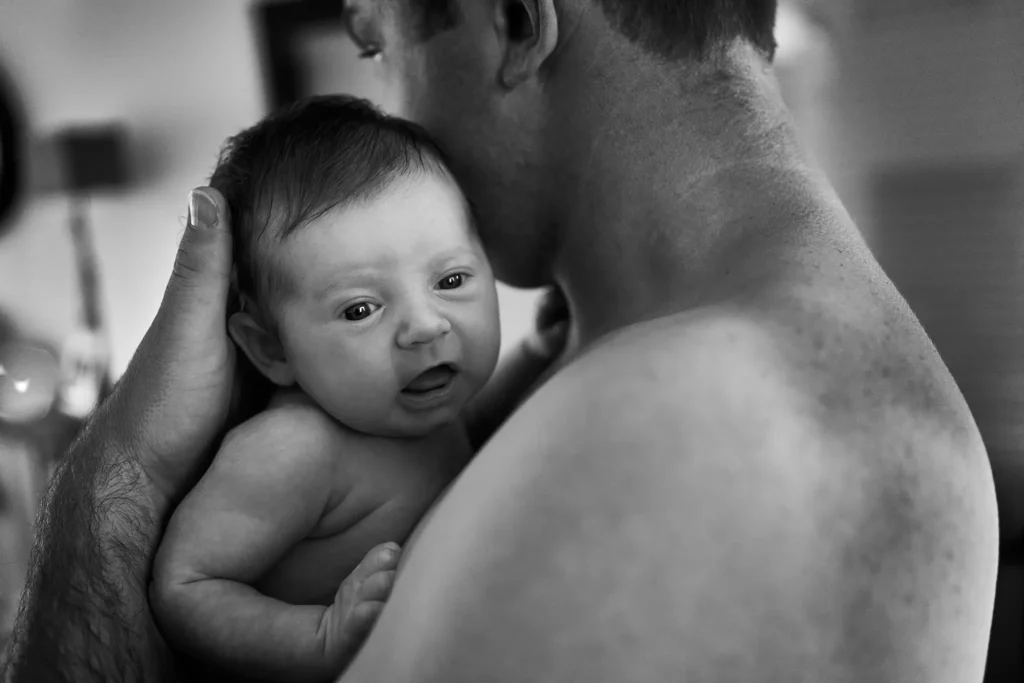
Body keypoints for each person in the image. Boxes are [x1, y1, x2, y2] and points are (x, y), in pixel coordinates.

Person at [1, 1, 1000, 682]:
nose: (392, 114)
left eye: (378, 46)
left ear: (518, 22)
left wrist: (116, 473)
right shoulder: (662, 366)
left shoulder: (699, 411)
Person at [148, 95, 564, 682]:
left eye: (450, 279)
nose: (425, 325)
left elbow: (468, 434)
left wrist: (534, 354)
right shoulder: (295, 449)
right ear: (272, 349)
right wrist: (315, 639)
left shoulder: (416, 406)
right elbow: (185, 584)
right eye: (361, 308)